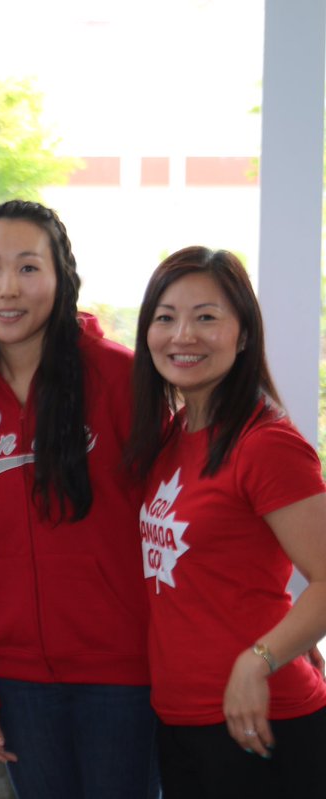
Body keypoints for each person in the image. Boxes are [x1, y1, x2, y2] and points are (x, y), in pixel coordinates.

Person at [0, 200, 156, 799]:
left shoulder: (124, 381)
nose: (7, 289)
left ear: (62, 278)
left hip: (125, 680)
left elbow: (174, 528)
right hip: (17, 686)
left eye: (29, 268)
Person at [125, 246, 326, 797]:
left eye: (206, 317)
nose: (182, 335)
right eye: (165, 317)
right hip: (182, 718)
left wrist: (258, 661)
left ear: (243, 335)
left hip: (261, 719)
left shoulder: (267, 445)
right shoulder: (171, 436)